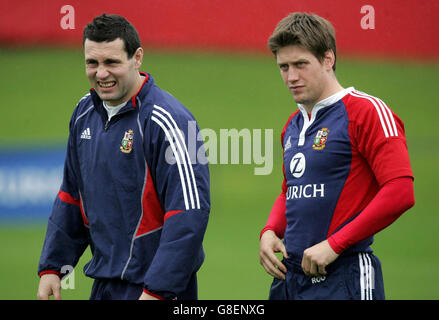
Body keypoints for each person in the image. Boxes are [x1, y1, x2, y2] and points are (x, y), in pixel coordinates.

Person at [37, 14, 210, 300]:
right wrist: (53, 267)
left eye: (111, 62)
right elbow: (71, 196)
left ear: (137, 57)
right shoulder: (83, 113)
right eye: (92, 63)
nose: (101, 73)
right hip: (104, 285)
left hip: (155, 290)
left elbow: (189, 214)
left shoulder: (170, 121)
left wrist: (157, 291)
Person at [259, 12, 415, 300]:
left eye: (300, 64)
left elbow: (401, 190)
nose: (291, 77)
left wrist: (334, 245)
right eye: (283, 67)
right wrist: (270, 230)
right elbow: (290, 191)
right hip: (290, 280)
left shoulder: (366, 112)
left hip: (345, 278)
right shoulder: (292, 126)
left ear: (328, 59)